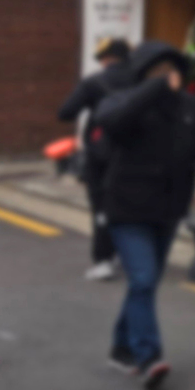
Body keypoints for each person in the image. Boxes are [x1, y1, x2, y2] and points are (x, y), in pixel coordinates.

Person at [93, 40, 195, 390]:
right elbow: (110, 121)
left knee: (145, 282)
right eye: (158, 71)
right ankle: (148, 358)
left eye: (171, 70)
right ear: (142, 75)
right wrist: (154, 88)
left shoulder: (190, 108)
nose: (168, 76)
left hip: (168, 208)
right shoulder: (123, 101)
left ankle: (122, 348)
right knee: (142, 279)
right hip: (127, 208)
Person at [57, 37, 133, 281]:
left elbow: (66, 113)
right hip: (136, 154)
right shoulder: (143, 81)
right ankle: (128, 253)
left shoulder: (94, 82)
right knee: (130, 205)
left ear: (105, 59)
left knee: (101, 206)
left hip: (102, 155)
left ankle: (104, 259)